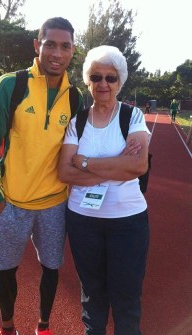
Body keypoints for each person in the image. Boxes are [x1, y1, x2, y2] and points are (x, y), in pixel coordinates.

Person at [0, 17, 83, 335]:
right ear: (37, 46)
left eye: (65, 46)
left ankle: (43, 327)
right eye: (50, 44)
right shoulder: (11, 85)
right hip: (14, 202)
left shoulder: (76, 97)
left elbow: (76, 150)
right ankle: (7, 328)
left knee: (51, 268)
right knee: (7, 270)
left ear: (72, 51)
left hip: (54, 204)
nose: (56, 52)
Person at [58, 45, 151, 335]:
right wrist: (115, 168)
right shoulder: (78, 122)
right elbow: (63, 171)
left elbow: (137, 167)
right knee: (92, 292)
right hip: (83, 220)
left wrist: (84, 162)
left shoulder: (132, 117)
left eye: (111, 78)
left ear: (119, 82)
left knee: (126, 295)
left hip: (128, 221)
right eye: (96, 77)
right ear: (88, 81)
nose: (103, 84)